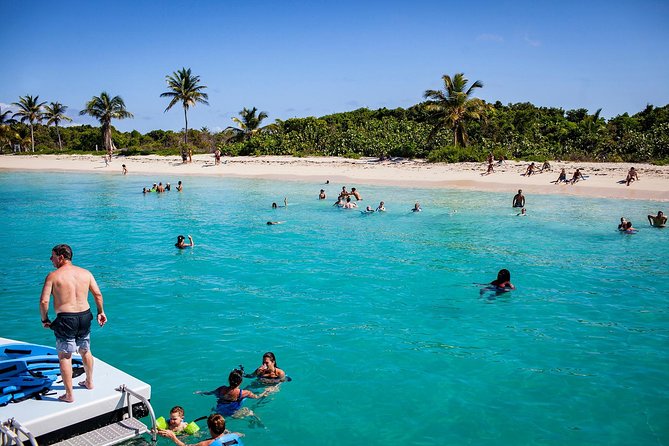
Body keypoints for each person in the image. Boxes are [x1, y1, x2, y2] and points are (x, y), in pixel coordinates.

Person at [39, 244, 107, 403]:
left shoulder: (53, 276)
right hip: (84, 316)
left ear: (61, 257)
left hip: (66, 318)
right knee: (85, 350)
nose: (51, 259)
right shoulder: (86, 273)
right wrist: (101, 312)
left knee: (65, 356)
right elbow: (97, 294)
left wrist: (45, 319)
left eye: (53, 256)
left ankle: (69, 394)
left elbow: (44, 301)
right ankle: (89, 382)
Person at [204, 368, 272, 417]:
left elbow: (211, 393)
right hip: (232, 413)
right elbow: (257, 397)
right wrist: (265, 392)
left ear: (229, 380)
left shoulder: (222, 388)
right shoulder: (244, 393)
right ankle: (256, 420)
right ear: (241, 382)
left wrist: (201, 392)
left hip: (219, 410)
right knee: (250, 412)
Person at [158, 413, 244, 446]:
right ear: (224, 427)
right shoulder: (236, 435)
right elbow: (242, 434)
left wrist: (173, 437)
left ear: (210, 428)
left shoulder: (205, 444)